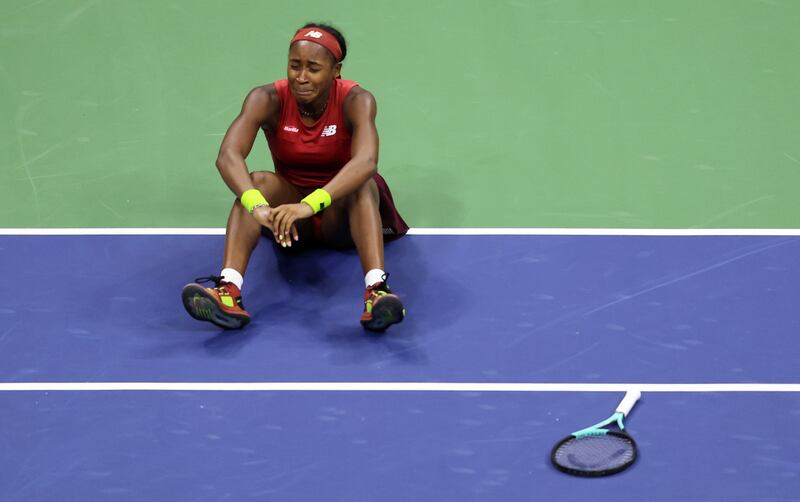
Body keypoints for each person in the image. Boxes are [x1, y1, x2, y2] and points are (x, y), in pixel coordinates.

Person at [181, 23, 408, 332]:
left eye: (313, 68)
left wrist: (310, 204)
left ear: (336, 70)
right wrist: (257, 206)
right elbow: (228, 156)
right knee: (256, 183)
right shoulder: (266, 98)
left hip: (340, 217)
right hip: (290, 224)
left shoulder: (357, 101)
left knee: (362, 186)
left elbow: (366, 162)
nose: (301, 77)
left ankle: (376, 291)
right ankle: (228, 291)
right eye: (294, 65)